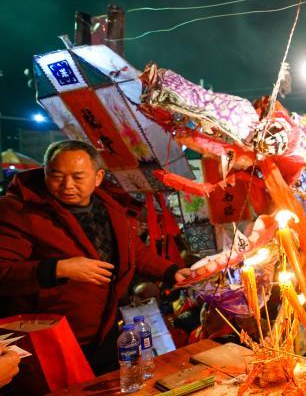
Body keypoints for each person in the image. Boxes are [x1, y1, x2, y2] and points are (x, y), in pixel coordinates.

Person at [0, 141, 191, 374]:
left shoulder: (109, 205)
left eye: (78, 177)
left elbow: (133, 251)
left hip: (104, 328)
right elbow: (4, 273)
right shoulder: (18, 211)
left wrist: (171, 271)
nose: (67, 185)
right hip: (47, 337)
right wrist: (59, 269)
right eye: (56, 175)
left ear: (98, 177)